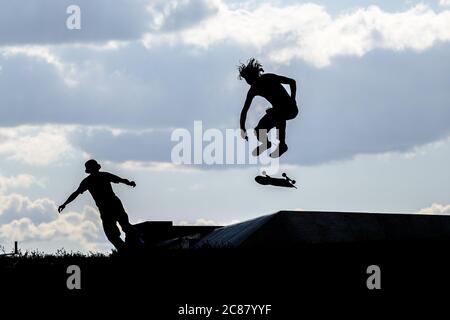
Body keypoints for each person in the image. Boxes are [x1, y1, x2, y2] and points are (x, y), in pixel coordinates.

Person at [58, 159, 137, 252]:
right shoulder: (103, 175)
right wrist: (129, 183)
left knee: (112, 233)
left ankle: (127, 250)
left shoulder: (88, 181)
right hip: (113, 204)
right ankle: (130, 247)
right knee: (124, 226)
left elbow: (76, 193)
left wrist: (65, 204)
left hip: (105, 208)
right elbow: (120, 180)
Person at [238, 58, 299, 158]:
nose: (248, 82)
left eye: (248, 79)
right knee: (259, 130)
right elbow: (244, 111)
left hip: (290, 109)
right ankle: (266, 144)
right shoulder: (253, 90)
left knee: (276, 113)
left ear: (253, 76)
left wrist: (293, 99)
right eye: (246, 80)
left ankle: (282, 145)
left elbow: (292, 82)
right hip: (277, 111)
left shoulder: (269, 78)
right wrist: (242, 129)